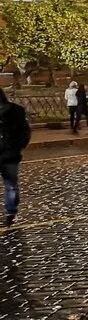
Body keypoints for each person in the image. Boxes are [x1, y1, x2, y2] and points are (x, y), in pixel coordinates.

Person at [0, 89, 31, 226]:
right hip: (11, 154)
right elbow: (25, 131)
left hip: (9, 154)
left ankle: (11, 213)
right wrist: (19, 146)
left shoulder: (16, 111)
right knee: (11, 186)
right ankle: (10, 213)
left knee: (11, 185)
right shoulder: (16, 111)